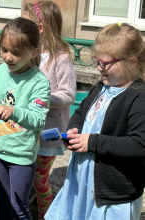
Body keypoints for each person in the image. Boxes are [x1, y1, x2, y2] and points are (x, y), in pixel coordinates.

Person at [45, 23, 145, 220]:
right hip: (83, 183)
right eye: (96, 61)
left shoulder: (139, 97)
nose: (99, 68)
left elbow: (139, 145)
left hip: (112, 196)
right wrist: (74, 130)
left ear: (132, 62)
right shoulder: (101, 86)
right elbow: (81, 113)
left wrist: (91, 142)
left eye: (105, 63)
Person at [0, 17, 51, 220]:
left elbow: (38, 120)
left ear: (34, 52)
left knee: (18, 208)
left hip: (21, 158)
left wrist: (14, 111)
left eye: (16, 53)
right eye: (4, 49)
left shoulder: (40, 83)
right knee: (2, 205)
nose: (8, 57)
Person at [23, 1, 76, 219]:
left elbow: (68, 94)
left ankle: (45, 214)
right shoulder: (30, 53)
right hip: (27, 131)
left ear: (40, 28)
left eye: (25, 24)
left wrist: (43, 99)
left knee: (38, 180)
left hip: (48, 134)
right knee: (25, 175)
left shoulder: (61, 59)